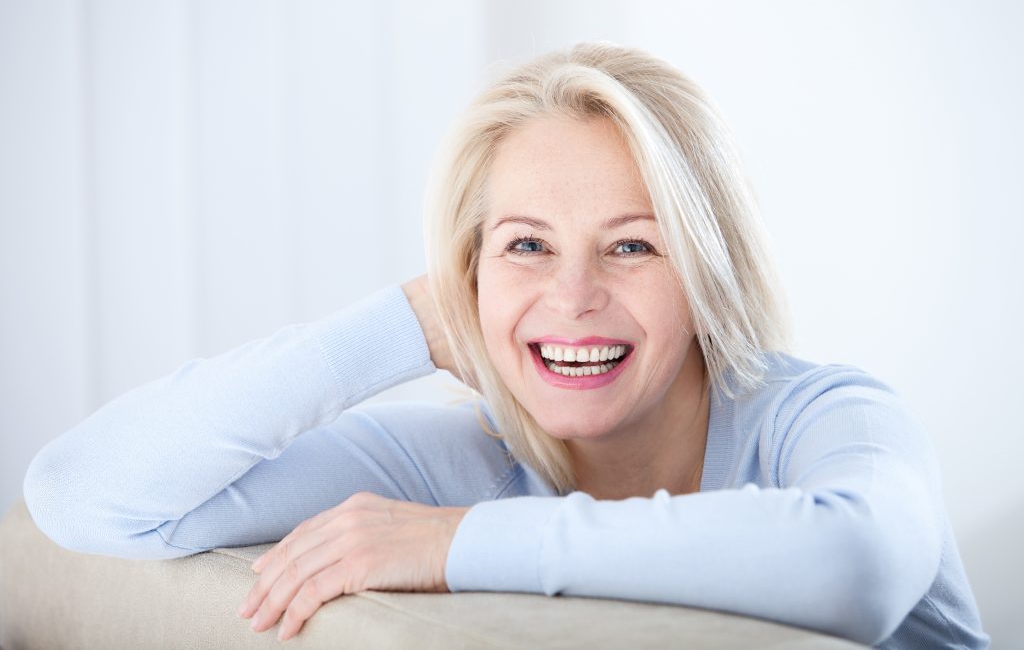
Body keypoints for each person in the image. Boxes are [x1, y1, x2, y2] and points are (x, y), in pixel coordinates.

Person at [23, 42, 989, 648]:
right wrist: (399, 325)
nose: (573, 296)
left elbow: (856, 568)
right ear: (468, 269)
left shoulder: (826, 414)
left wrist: (454, 545)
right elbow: (87, 497)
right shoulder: (458, 457)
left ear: (708, 273)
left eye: (633, 245)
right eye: (526, 245)